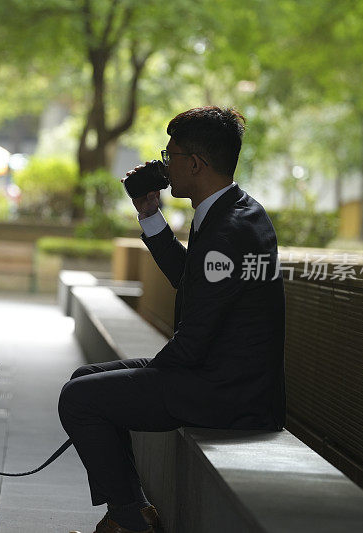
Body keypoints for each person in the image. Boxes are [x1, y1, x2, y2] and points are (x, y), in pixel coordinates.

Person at [59, 106, 286, 533]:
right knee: (84, 378)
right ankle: (129, 512)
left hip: (229, 393)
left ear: (195, 164)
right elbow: (192, 279)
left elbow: (195, 339)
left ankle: (130, 520)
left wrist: (146, 379)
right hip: (221, 375)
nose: (165, 165)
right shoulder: (234, 211)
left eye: (170, 155)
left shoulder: (227, 230)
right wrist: (150, 214)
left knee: (81, 399)